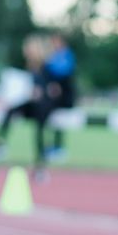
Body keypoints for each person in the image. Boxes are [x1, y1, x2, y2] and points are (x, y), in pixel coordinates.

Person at [0, 34, 48, 169]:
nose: (26, 50)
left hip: (40, 105)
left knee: (39, 121)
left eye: (28, 48)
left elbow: (47, 88)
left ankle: (40, 156)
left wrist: (38, 92)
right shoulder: (26, 65)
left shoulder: (45, 66)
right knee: (10, 110)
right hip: (27, 103)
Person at [41, 32, 77, 160]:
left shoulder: (67, 55)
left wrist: (50, 64)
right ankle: (50, 146)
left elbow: (64, 70)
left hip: (64, 94)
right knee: (51, 120)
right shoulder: (51, 55)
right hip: (52, 94)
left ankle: (59, 147)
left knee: (60, 120)